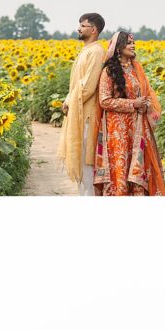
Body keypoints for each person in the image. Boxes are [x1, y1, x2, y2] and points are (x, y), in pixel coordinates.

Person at [93, 30, 165, 195]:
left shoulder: (136, 68)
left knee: (139, 168)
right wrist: (133, 104)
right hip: (117, 130)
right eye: (129, 43)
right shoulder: (108, 71)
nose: (133, 45)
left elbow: (145, 93)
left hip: (138, 127)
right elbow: (104, 101)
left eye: (134, 42)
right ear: (119, 47)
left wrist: (145, 104)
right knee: (121, 165)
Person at [58, 13, 106, 195]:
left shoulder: (96, 51)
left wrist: (69, 101)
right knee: (80, 161)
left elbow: (88, 86)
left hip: (87, 115)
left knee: (87, 164)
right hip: (79, 113)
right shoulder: (87, 50)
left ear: (93, 30)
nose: (78, 28)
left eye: (83, 25)